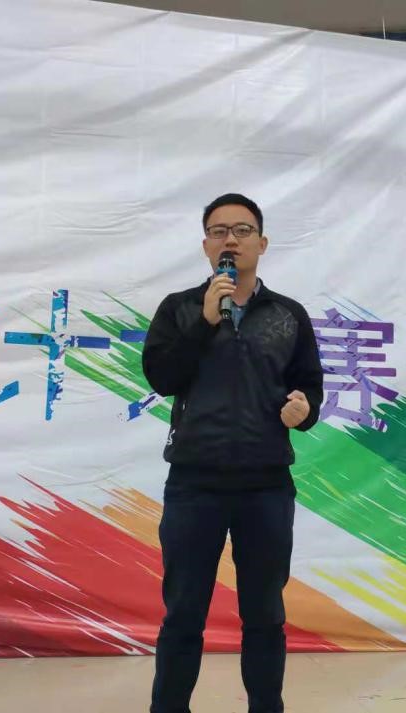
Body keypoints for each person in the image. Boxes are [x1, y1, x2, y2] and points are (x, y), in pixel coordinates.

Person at [141, 193, 324, 713]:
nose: (231, 240)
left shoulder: (288, 315)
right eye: (219, 231)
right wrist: (204, 321)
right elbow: (162, 377)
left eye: (242, 231)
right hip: (193, 482)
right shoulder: (179, 308)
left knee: (265, 614)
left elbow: (310, 389)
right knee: (183, 614)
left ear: (262, 244)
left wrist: (303, 410)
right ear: (206, 246)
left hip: (265, 485)